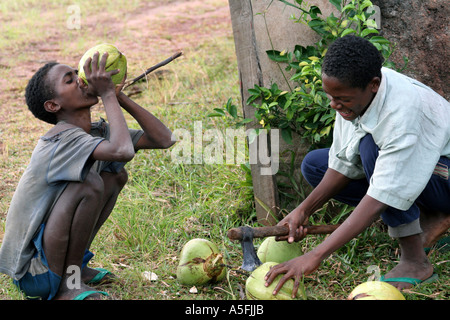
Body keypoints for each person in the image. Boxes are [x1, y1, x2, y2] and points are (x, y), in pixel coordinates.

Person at [264, 35, 450, 298]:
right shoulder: (356, 94)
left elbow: (382, 192)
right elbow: (341, 162)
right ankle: (426, 218)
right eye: (330, 96)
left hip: (446, 177)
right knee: (316, 165)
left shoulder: (402, 112)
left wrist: (315, 256)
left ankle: (415, 260)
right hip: (423, 174)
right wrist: (303, 210)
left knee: (371, 149)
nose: (333, 104)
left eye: (341, 99)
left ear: (373, 85)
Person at [0, 52, 175, 300]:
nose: (82, 80)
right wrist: (105, 95)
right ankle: (67, 286)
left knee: (114, 176)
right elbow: (123, 150)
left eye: (77, 73)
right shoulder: (60, 140)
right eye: (70, 80)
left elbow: (164, 139)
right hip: (33, 272)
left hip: (50, 255)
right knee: (89, 183)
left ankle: (75, 268)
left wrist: (117, 95)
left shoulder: (94, 132)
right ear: (53, 105)